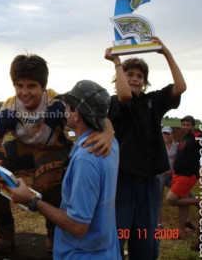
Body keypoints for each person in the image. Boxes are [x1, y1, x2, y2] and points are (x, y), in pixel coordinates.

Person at [0, 54, 114, 254]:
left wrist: (107, 131)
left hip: (54, 148)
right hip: (22, 149)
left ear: (43, 87)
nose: (24, 92)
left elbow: (93, 114)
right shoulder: (9, 108)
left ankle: (54, 231)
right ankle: (5, 231)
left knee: (45, 184)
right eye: (19, 86)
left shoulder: (56, 104)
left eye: (31, 86)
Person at [7, 80, 121, 259]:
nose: (64, 110)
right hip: (104, 249)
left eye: (68, 106)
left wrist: (32, 200)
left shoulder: (86, 157)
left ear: (76, 114)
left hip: (81, 254)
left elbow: (78, 226)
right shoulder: (110, 143)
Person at [105, 36, 187, 260]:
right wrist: (116, 62)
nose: (134, 79)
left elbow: (181, 86)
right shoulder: (113, 102)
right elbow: (124, 95)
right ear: (120, 76)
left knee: (145, 236)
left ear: (145, 82)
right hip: (122, 179)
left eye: (139, 76)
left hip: (149, 181)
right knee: (118, 232)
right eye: (129, 74)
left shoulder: (153, 101)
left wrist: (166, 53)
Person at [166, 115, 202, 239]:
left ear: (193, 126)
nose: (185, 127)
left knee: (170, 200)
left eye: (188, 125)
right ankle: (181, 232)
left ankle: (200, 201)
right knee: (182, 204)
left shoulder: (197, 136)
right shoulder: (184, 138)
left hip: (188, 175)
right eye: (184, 124)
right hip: (177, 174)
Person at [157, 125, 196, 230]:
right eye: (164, 134)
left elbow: (181, 158)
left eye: (168, 134)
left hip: (173, 176)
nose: (166, 135)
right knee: (158, 198)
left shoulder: (177, 146)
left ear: (171, 134)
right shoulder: (158, 146)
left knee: (187, 194)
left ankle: (186, 220)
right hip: (161, 175)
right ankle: (159, 223)